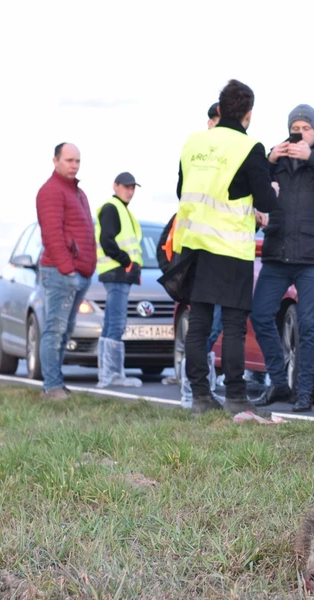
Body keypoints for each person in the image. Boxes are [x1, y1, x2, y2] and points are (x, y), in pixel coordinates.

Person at [172, 79, 278, 415]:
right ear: (248, 114)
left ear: (219, 109)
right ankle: (235, 396)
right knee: (233, 325)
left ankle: (200, 396)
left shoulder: (193, 143)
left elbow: (180, 191)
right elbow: (265, 200)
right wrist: (272, 186)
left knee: (199, 321)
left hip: (193, 246)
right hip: (230, 248)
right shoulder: (249, 148)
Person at [249, 104, 314, 412]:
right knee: (260, 314)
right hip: (277, 253)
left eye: (306, 128)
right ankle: (279, 383)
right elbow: (253, 185)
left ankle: (304, 391)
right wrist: (269, 159)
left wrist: (312, 157)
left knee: (309, 325)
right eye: (296, 127)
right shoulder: (277, 160)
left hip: (313, 257)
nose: (300, 132)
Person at [159, 102, 224, 391]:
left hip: (220, 252)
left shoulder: (223, 151)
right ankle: (194, 387)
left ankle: (197, 386)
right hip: (201, 255)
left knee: (212, 324)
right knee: (204, 325)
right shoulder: (199, 151)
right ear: (210, 122)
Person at [35, 143, 97, 400]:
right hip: (61, 273)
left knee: (65, 330)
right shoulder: (51, 191)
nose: (74, 165)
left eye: (77, 161)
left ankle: (56, 383)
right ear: (55, 160)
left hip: (79, 273)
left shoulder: (78, 193)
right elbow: (52, 236)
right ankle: (51, 387)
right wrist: (68, 270)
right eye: (69, 160)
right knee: (55, 329)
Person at [94, 171, 143, 389]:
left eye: (132, 187)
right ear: (115, 186)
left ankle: (107, 374)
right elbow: (107, 241)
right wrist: (126, 262)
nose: (130, 191)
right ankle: (111, 375)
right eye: (126, 187)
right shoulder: (112, 208)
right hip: (117, 273)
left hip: (118, 274)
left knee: (111, 324)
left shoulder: (120, 209)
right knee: (116, 323)